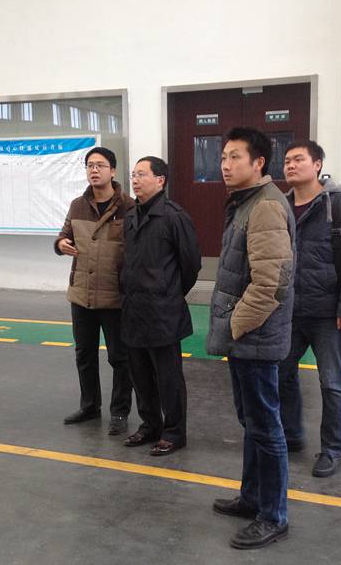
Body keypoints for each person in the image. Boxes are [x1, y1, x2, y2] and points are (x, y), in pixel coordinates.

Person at [206, 127, 295, 550]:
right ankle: (252, 498)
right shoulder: (246, 203)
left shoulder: (265, 207)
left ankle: (273, 515)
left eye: (235, 157)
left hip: (255, 336)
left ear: (258, 162)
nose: (225, 165)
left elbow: (271, 285)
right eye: (223, 157)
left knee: (266, 427)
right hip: (246, 337)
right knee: (253, 423)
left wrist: (235, 326)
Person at [279, 139, 341, 477]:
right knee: (281, 374)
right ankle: (291, 435)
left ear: (317, 164)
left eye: (298, 159)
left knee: (332, 382)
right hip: (290, 310)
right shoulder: (281, 205)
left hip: (329, 314)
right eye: (287, 161)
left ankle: (332, 450)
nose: (290, 165)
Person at [120, 156, 201, 456]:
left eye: (142, 174)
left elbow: (191, 264)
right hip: (134, 309)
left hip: (163, 311)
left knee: (168, 377)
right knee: (140, 375)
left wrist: (169, 292)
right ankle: (150, 425)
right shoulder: (131, 216)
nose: (135, 180)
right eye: (133, 174)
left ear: (160, 180)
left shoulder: (174, 216)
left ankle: (174, 432)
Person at [55, 146, 136, 436]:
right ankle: (89, 406)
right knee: (84, 354)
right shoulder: (77, 205)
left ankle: (119, 411)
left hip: (115, 295)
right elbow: (64, 235)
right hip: (82, 294)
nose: (94, 170)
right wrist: (60, 244)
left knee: (120, 357)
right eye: (90, 165)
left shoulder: (129, 206)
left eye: (100, 165)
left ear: (113, 171)